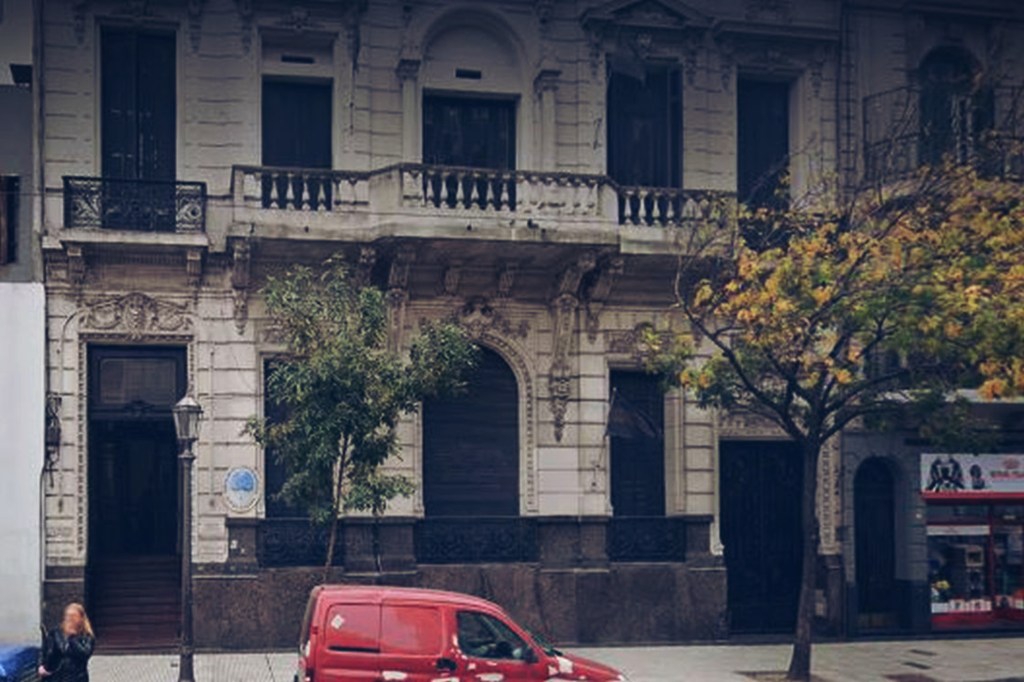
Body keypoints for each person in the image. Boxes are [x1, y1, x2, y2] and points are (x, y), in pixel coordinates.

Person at [38, 603, 95, 682]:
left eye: (73, 616)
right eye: (68, 616)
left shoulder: (86, 636)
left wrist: (72, 638)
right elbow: (45, 650)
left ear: (81, 618)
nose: (70, 619)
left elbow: (84, 654)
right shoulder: (56, 633)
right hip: (55, 677)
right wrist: (41, 665)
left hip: (76, 678)